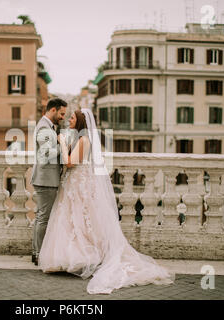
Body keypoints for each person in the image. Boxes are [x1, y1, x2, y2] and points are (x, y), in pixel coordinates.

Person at [38, 108, 175, 294]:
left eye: (72, 118)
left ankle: (85, 257)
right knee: (71, 220)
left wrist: (61, 142)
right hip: (72, 183)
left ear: (80, 122)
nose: (69, 119)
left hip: (80, 185)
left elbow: (70, 162)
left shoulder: (84, 140)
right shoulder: (79, 138)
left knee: (81, 220)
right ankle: (70, 257)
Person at [30, 98, 67, 266]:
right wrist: (63, 145)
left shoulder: (48, 126)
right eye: (61, 113)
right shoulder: (44, 127)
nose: (63, 117)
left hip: (46, 178)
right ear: (53, 110)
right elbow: (45, 154)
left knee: (41, 217)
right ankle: (38, 253)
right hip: (46, 180)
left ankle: (36, 252)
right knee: (43, 218)